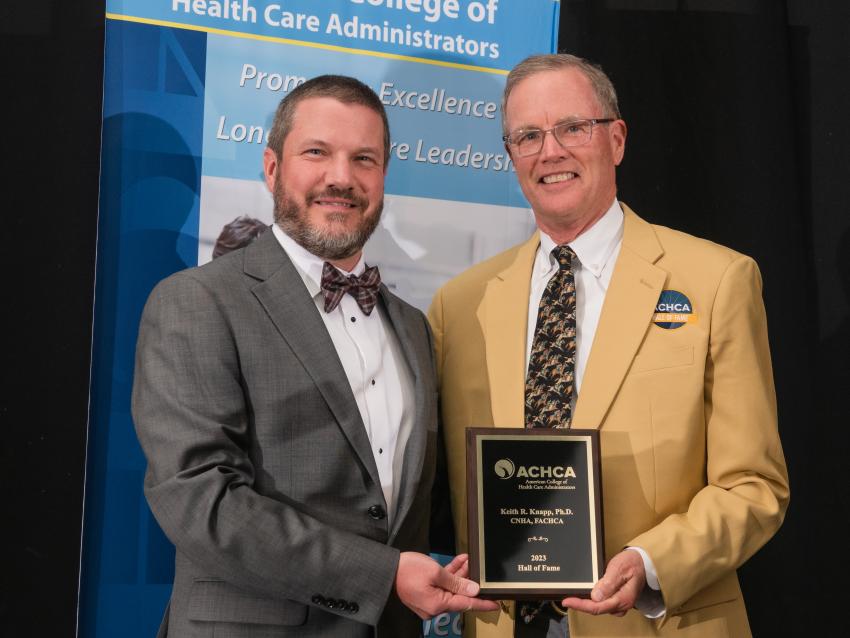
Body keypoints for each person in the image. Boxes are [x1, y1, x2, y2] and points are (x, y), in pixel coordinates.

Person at [428, 54, 789, 637]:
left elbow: (755, 485)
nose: (551, 152)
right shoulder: (459, 305)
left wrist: (652, 564)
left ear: (616, 139)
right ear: (511, 156)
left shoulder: (716, 280)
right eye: (527, 136)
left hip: (658, 623)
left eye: (572, 127)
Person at [132, 74, 498, 638]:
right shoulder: (197, 302)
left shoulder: (412, 327)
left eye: (364, 159)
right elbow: (199, 499)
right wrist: (384, 575)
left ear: (383, 176)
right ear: (273, 167)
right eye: (317, 153)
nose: (341, 178)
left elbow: (416, 504)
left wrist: (540, 539)